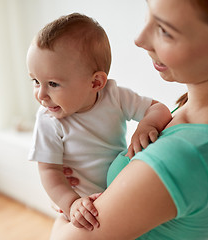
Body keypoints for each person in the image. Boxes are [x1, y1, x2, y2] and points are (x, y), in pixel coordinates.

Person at [49, 0, 208, 239]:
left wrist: (66, 210)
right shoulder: (201, 118)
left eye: (165, 31)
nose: (139, 39)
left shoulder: (183, 157)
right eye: (148, 14)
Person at [26, 13, 172, 231]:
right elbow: (49, 171)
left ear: (96, 82)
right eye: (36, 81)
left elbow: (158, 109)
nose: (41, 94)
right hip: (85, 206)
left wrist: (146, 125)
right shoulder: (48, 119)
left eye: (53, 84)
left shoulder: (114, 96)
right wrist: (70, 203)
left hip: (121, 192)